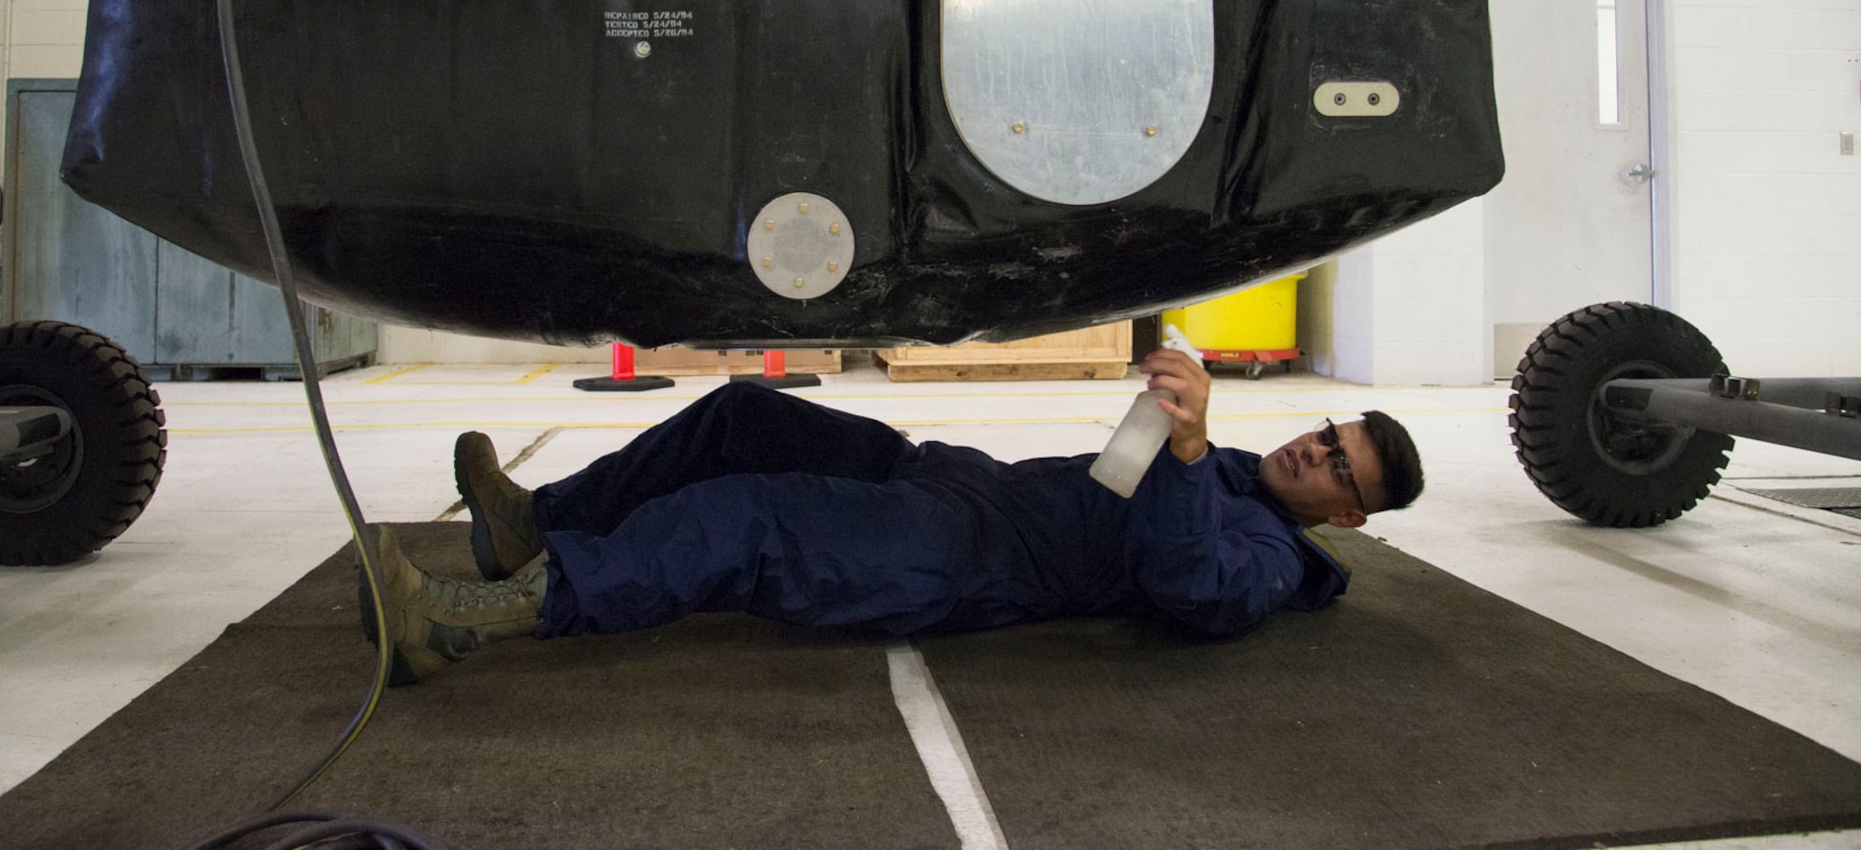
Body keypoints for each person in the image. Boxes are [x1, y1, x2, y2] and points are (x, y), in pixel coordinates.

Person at [361, 348, 1425, 682]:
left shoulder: (1270, 559)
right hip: (953, 479)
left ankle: (465, 621)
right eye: (1329, 436)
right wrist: (1153, 422)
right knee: (741, 414)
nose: (1314, 452)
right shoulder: (1235, 471)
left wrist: (1184, 456)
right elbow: (1108, 485)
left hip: (961, 558)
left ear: (1349, 520)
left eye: (1340, 470)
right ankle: (535, 524)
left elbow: (1190, 589)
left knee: (754, 519)